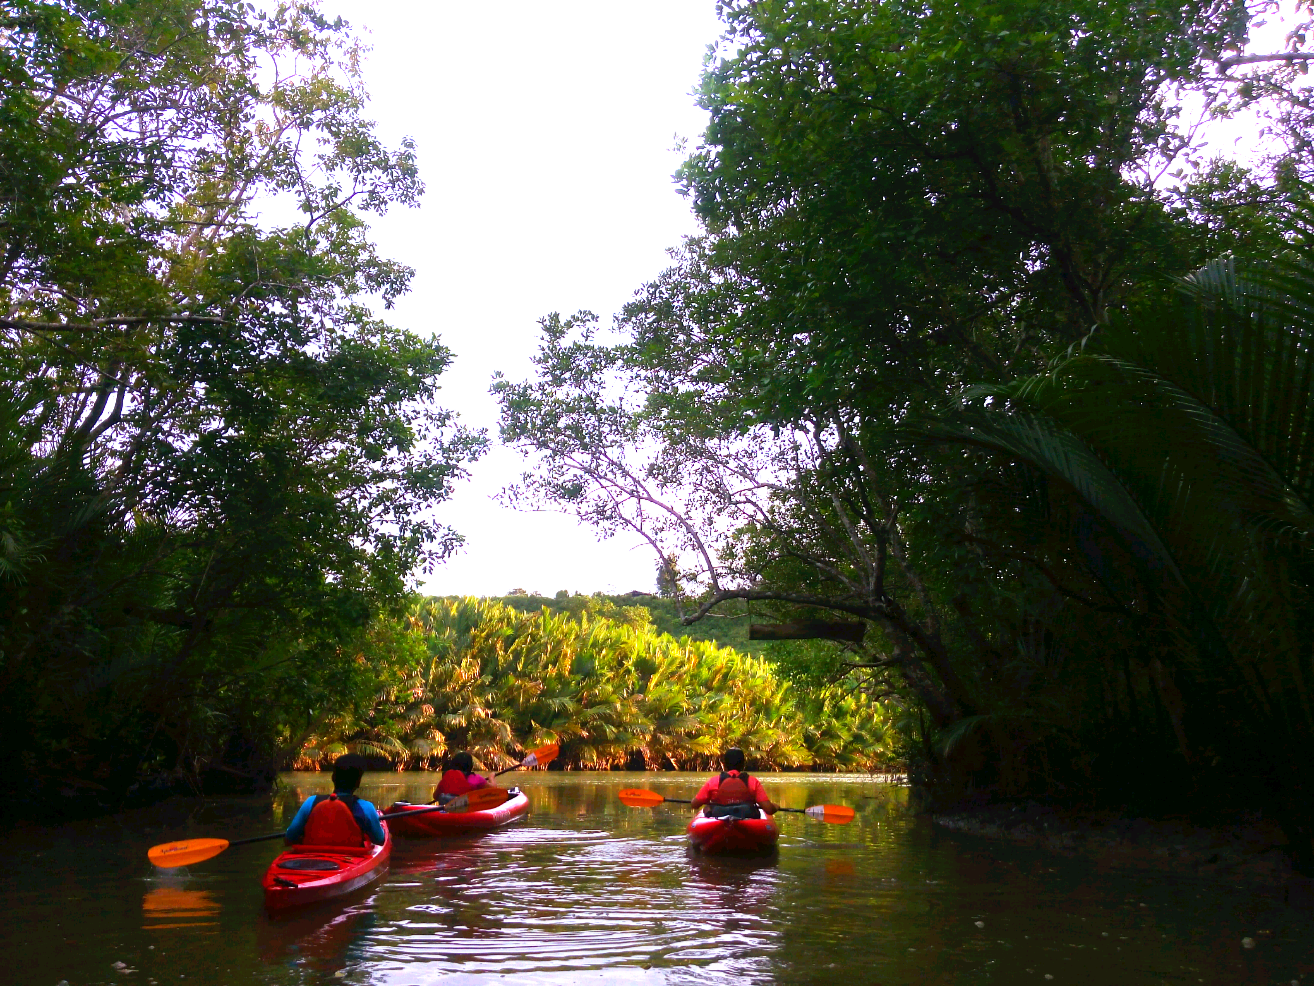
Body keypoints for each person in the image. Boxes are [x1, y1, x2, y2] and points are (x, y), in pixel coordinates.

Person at [285, 753, 387, 847]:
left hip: (311, 857)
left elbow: (289, 837)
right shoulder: (366, 808)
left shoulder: (311, 802)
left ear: (333, 777)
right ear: (358, 782)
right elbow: (379, 840)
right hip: (351, 858)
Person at [690, 748, 779, 818]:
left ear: (724, 764)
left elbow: (694, 804)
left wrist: (706, 802)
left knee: (708, 808)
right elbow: (768, 809)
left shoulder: (713, 781)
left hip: (719, 815)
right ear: (743, 764)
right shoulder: (753, 782)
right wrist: (775, 807)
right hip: (746, 816)